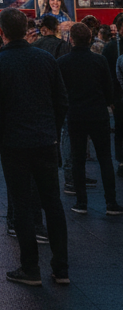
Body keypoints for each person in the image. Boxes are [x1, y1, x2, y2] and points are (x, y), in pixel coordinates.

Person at [0, 7, 69, 286]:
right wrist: (52, 131)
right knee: (52, 202)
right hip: (45, 139)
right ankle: (61, 267)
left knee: (21, 204)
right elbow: (61, 102)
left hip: (14, 143)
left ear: (1, 32)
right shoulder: (45, 59)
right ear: (28, 30)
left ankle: (30, 267)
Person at [56, 22, 122, 216]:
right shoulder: (99, 61)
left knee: (78, 159)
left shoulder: (63, 62)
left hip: (75, 114)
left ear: (72, 39)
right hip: (97, 113)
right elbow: (108, 88)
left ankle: (81, 202)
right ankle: (111, 202)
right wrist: (107, 102)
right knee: (104, 158)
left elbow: (60, 92)